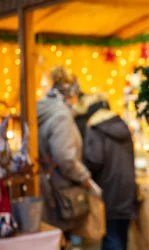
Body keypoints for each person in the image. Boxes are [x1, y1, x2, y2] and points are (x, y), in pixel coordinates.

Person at [37, 66, 101, 241]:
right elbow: (65, 157)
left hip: (44, 185)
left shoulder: (42, 108)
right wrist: (86, 180)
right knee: (60, 238)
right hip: (58, 191)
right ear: (70, 94)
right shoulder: (61, 116)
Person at [83, 94, 137, 250]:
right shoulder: (123, 126)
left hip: (107, 189)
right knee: (122, 235)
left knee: (110, 236)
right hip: (127, 188)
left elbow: (94, 160)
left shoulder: (95, 129)